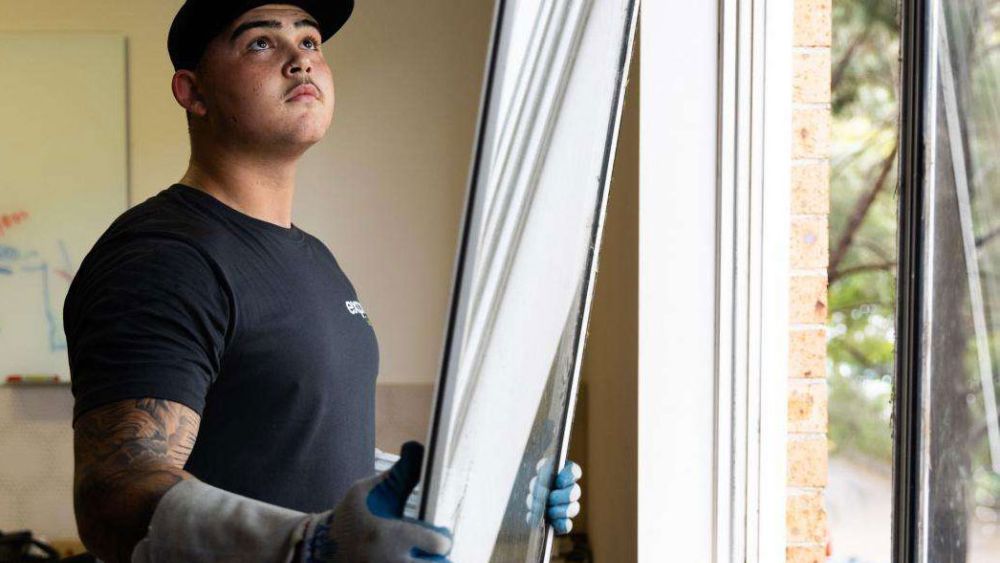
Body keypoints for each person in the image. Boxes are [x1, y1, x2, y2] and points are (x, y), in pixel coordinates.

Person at [63, 1, 582, 562]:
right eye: (261, 43)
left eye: (310, 43)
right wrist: (308, 547)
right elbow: (113, 497)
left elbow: (302, 456)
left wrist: (482, 491)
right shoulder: (165, 258)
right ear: (192, 92)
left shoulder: (312, 257)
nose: (299, 61)